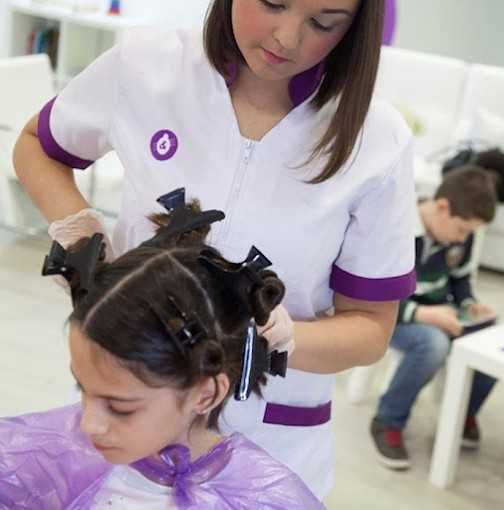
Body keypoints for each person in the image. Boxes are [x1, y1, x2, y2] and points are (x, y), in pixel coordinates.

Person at [13, 0, 417, 497]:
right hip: (125, 415)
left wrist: (286, 340)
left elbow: (371, 328)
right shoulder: (147, 66)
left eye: (323, 23)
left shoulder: (377, 140)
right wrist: (82, 236)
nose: (286, 38)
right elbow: (38, 145)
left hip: (272, 447)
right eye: (273, 2)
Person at [0, 192, 324, 509]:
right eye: (82, 388)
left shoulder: (261, 498)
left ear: (206, 394)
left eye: (119, 407)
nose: (88, 424)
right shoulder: (45, 459)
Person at [370, 166, 499, 470]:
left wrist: (468, 303)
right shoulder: (397, 228)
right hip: (391, 315)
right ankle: (387, 420)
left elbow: (459, 278)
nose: (464, 238)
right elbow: (374, 293)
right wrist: (422, 313)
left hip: (438, 311)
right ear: (442, 207)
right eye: (462, 230)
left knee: (488, 340)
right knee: (433, 344)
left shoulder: (460, 236)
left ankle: (462, 413)